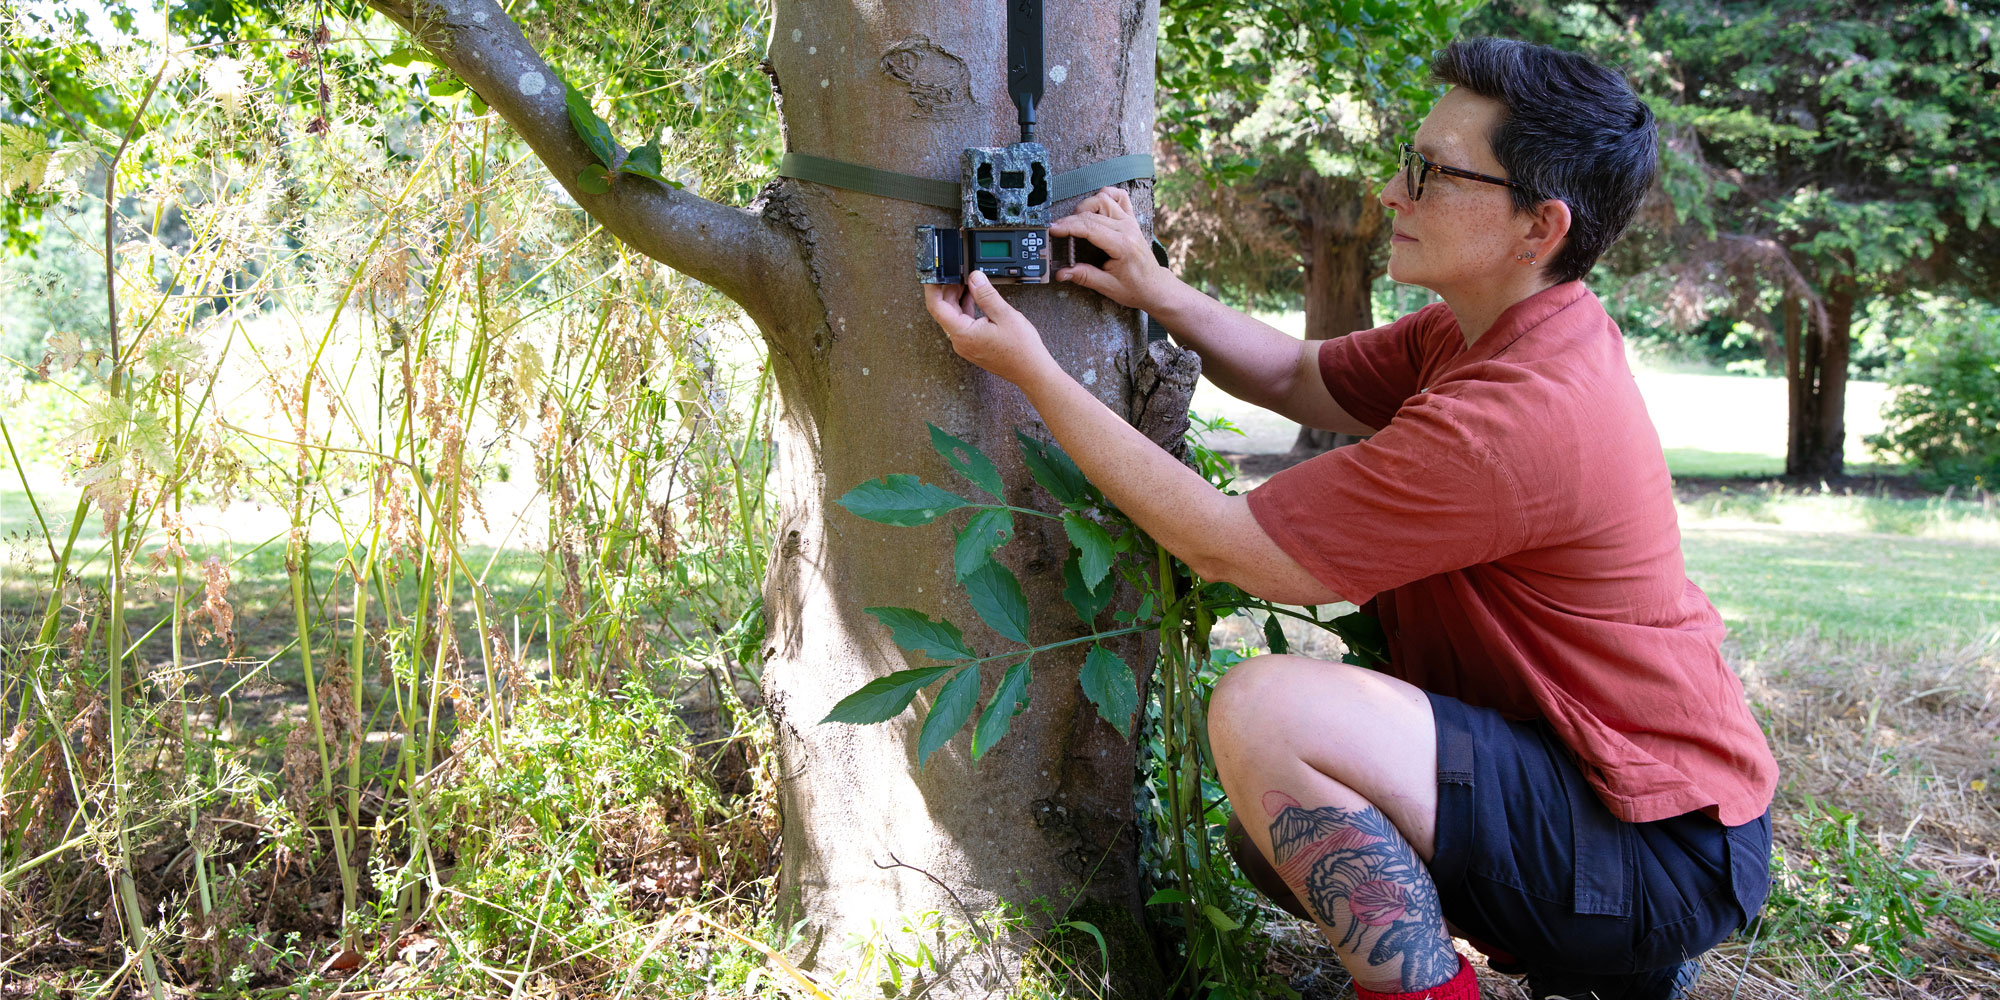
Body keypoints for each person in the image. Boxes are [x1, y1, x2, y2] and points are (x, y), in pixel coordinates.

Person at [923, 36, 1776, 1000]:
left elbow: (1227, 546)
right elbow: (1299, 375)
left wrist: (1033, 371)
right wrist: (1154, 288)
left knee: (1268, 714)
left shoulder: (1517, 415)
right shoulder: (1491, 325)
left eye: (1430, 172)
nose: (1389, 192)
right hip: (1606, 795)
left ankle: (1580, 955)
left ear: (1538, 226)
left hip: (1656, 845)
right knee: (1271, 831)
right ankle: (1597, 958)